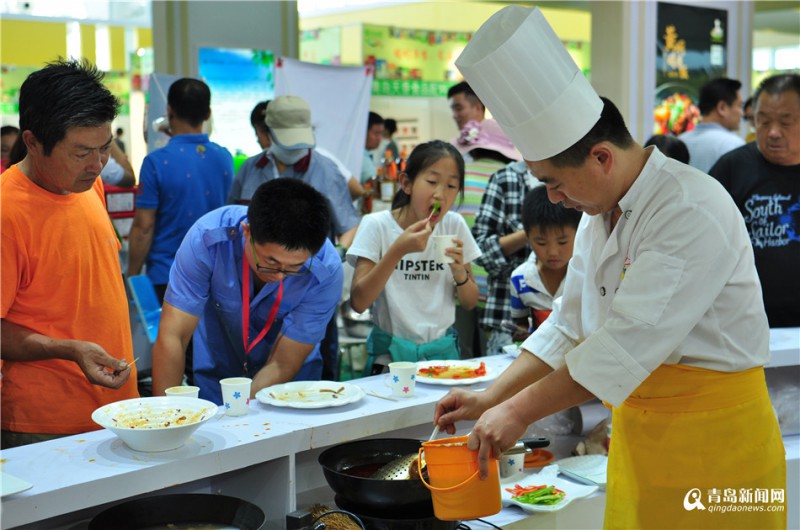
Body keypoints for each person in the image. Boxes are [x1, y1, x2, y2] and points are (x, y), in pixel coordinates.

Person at [436, 6, 785, 529]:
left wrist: (517, 412)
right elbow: (568, 324)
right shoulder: (603, 213)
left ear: (601, 157)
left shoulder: (687, 209)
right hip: (644, 439)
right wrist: (493, 395)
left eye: (556, 182)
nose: (555, 198)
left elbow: (623, 346)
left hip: (719, 446)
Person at [1, 59, 137, 448]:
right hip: (45, 427)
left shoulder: (85, 186)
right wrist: (69, 350)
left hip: (119, 412)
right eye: (81, 153)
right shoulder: (8, 210)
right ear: (32, 141)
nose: (97, 165)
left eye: (105, 148)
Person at [151, 179, 343, 404]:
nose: (280, 275)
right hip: (217, 378)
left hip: (288, 392)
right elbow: (174, 335)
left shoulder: (326, 270)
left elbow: (283, 363)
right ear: (247, 232)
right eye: (270, 261)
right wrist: (165, 415)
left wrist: (239, 408)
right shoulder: (206, 240)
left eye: (294, 267)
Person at [347, 140, 481, 375]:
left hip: (442, 356)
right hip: (390, 357)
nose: (440, 193)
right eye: (431, 182)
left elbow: (470, 302)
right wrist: (398, 250)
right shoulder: (377, 226)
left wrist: (460, 272)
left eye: (451, 186)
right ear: (406, 184)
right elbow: (359, 302)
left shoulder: (453, 225)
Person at [127, 77, 234, 301]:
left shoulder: (156, 162)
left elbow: (144, 227)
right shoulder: (224, 157)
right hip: (214, 275)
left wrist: (133, 274)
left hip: (167, 276)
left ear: (169, 110)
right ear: (208, 114)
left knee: (171, 336)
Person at [709, 73, 800, 328]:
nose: (773, 132)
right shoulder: (732, 167)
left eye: (785, 122)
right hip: (745, 324)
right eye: (763, 121)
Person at [452, 118, 522, 357]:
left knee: (462, 350)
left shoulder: (459, 176)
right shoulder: (512, 178)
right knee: (488, 355)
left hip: (460, 281)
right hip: (498, 287)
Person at [508, 186, 581, 340]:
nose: (553, 252)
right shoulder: (519, 279)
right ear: (527, 237)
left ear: (579, 233)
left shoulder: (586, 275)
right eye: (541, 242)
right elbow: (520, 325)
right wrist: (520, 333)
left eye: (562, 242)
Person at [678, 77, 745, 173]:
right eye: (739, 106)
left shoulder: (681, 140)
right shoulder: (734, 145)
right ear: (722, 108)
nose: (742, 113)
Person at [361, 111, 384, 185]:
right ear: (363, 132)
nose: (379, 138)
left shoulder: (365, 154)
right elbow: (375, 185)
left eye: (381, 134)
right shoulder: (361, 157)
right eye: (376, 134)